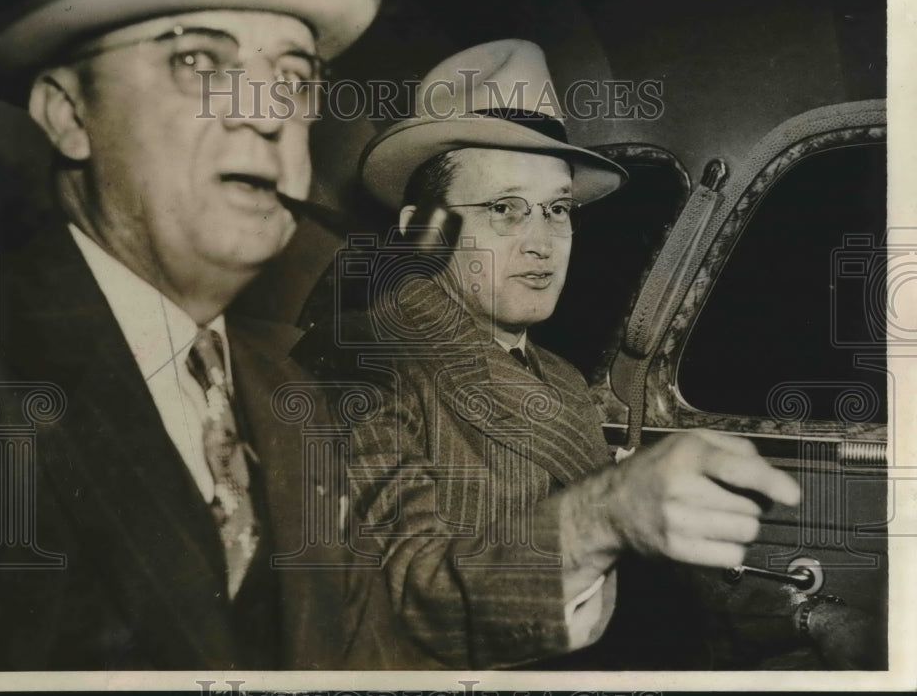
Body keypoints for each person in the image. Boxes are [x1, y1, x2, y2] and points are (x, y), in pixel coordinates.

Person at [296, 39, 802, 669]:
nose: (542, 242)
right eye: (506, 209)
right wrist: (605, 514)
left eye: (557, 210)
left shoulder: (561, 378)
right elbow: (409, 597)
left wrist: (787, 622)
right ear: (421, 230)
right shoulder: (361, 367)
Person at [0, 0, 380, 670]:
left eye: (293, 77)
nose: (265, 116)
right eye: (199, 61)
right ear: (68, 114)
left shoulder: (292, 401)